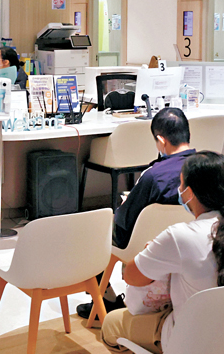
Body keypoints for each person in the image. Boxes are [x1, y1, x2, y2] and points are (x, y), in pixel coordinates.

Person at [100, 151, 224, 354]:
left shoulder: (179, 237)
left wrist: (149, 252)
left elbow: (131, 276)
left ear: (189, 193)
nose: (179, 190)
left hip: (195, 344)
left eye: (180, 184)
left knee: (111, 324)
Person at [76, 107, 196, 319]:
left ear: (161, 141)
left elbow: (125, 220)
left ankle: (106, 300)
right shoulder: (206, 166)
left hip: (143, 243)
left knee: (92, 231)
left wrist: (125, 203)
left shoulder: (153, 175)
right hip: (190, 241)